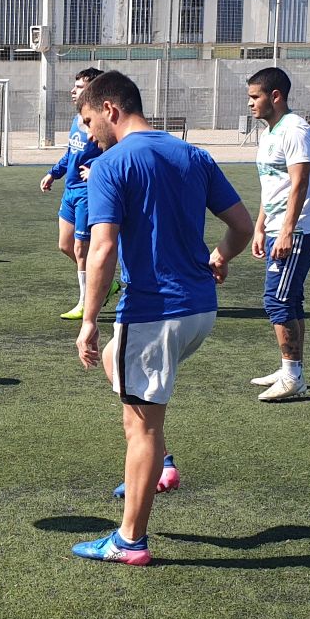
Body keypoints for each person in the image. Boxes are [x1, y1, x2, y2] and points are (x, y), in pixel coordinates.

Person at [73, 71, 253, 565]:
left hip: (155, 312)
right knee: (117, 363)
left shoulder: (111, 165)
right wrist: (221, 256)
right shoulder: (193, 154)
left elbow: (103, 248)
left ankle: (130, 540)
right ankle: (161, 466)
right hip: (200, 309)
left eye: (88, 120)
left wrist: (89, 320)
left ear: (110, 109)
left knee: (141, 425)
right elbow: (241, 225)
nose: (88, 133)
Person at [245, 67, 310, 403]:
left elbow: (299, 183)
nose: (250, 103)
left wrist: (287, 230)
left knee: (276, 301)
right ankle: (291, 369)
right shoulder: (269, 133)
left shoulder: (295, 130)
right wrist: (260, 226)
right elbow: (272, 186)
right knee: (289, 299)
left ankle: (293, 377)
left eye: (255, 97)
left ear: (275, 96)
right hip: (277, 228)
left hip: (298, 229)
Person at [39, 67, 105, 318]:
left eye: (79, 87)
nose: (72, 91)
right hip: (70, 190)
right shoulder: (76, 119)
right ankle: (105, 283)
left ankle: (86, 303)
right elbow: (71, 152)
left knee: (80, 249)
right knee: (65, 245)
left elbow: (119, 151)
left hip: (89, 193)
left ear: (92, 90)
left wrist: (97, 169)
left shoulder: (102, 122)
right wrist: (53, 173)